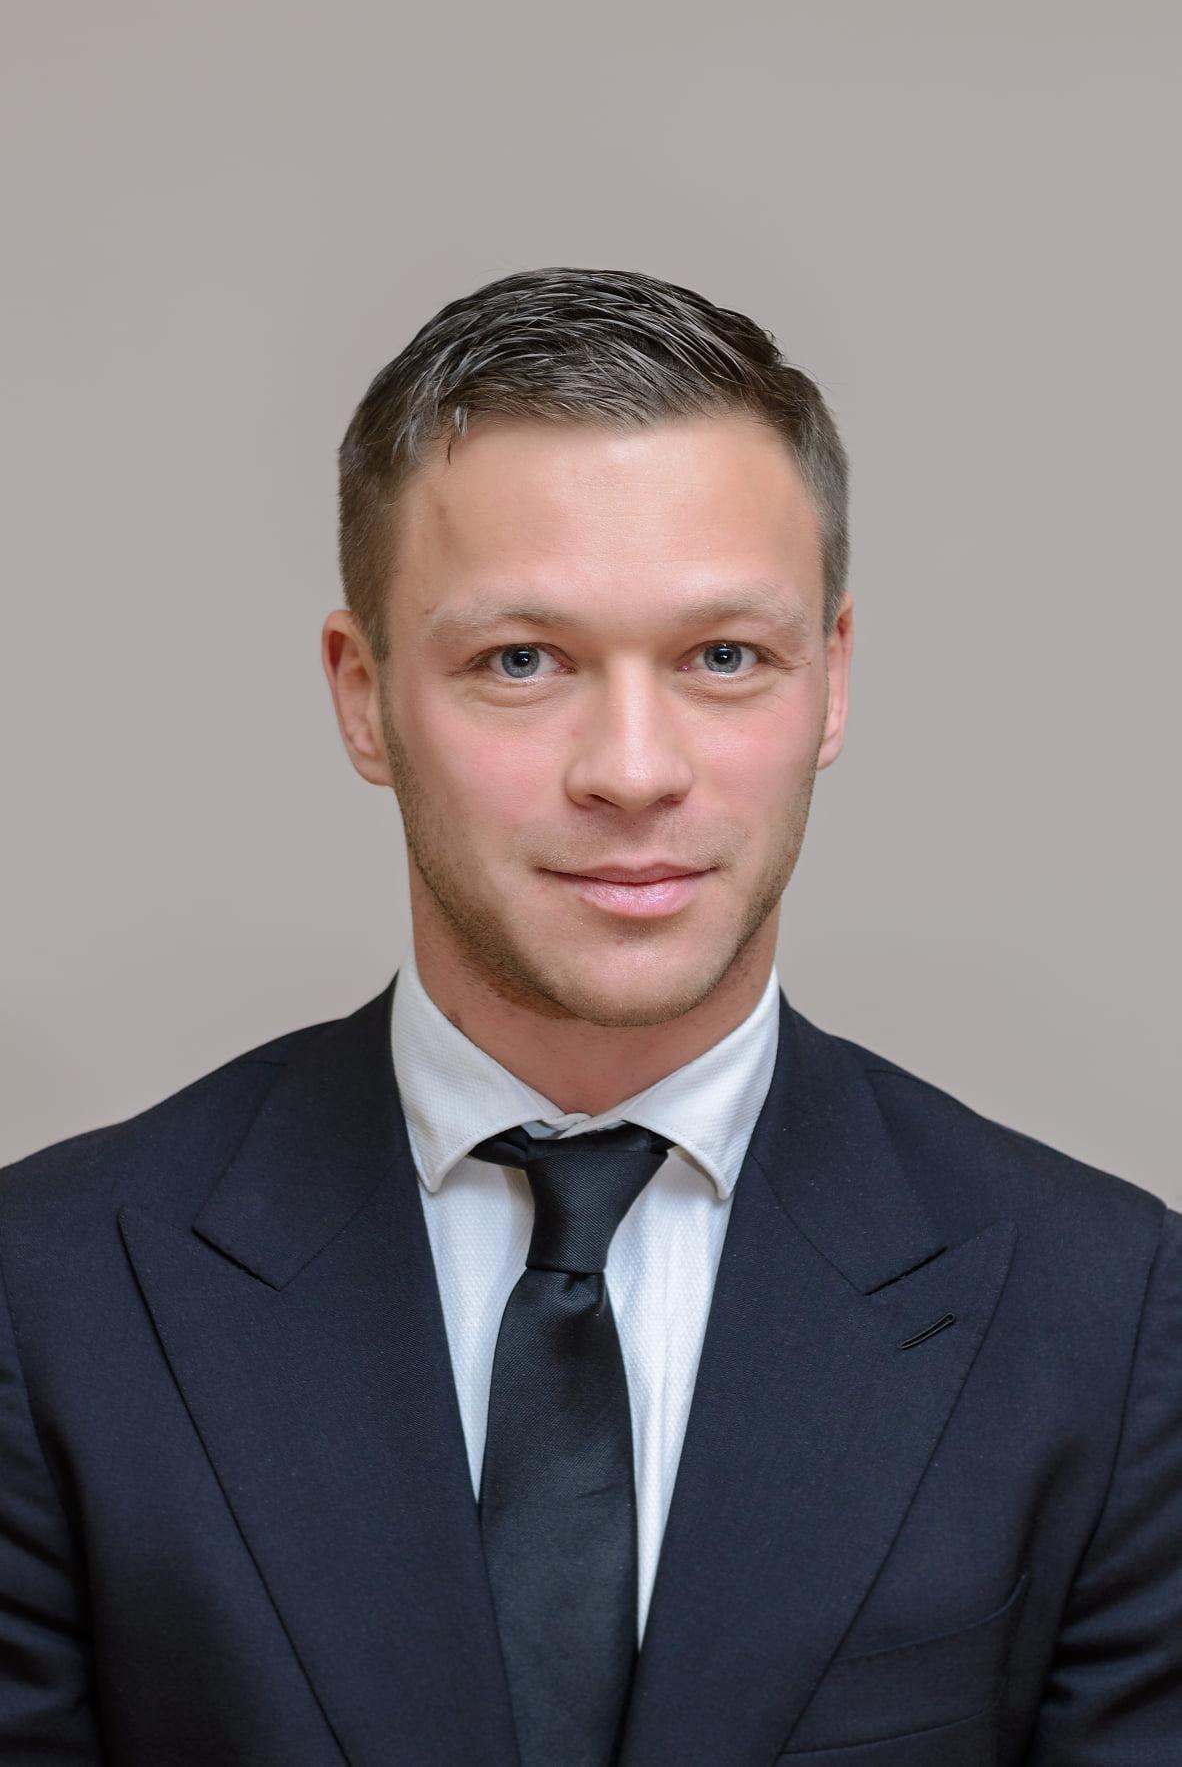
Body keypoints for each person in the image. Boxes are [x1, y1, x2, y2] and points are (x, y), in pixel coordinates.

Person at [0, 267, 1178, 1767]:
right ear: (362, 697)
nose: (631, 770)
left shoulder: (1107, 1312)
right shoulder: (45, 1300)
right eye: (522, 661)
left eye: (723, 658)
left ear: (830, 683)